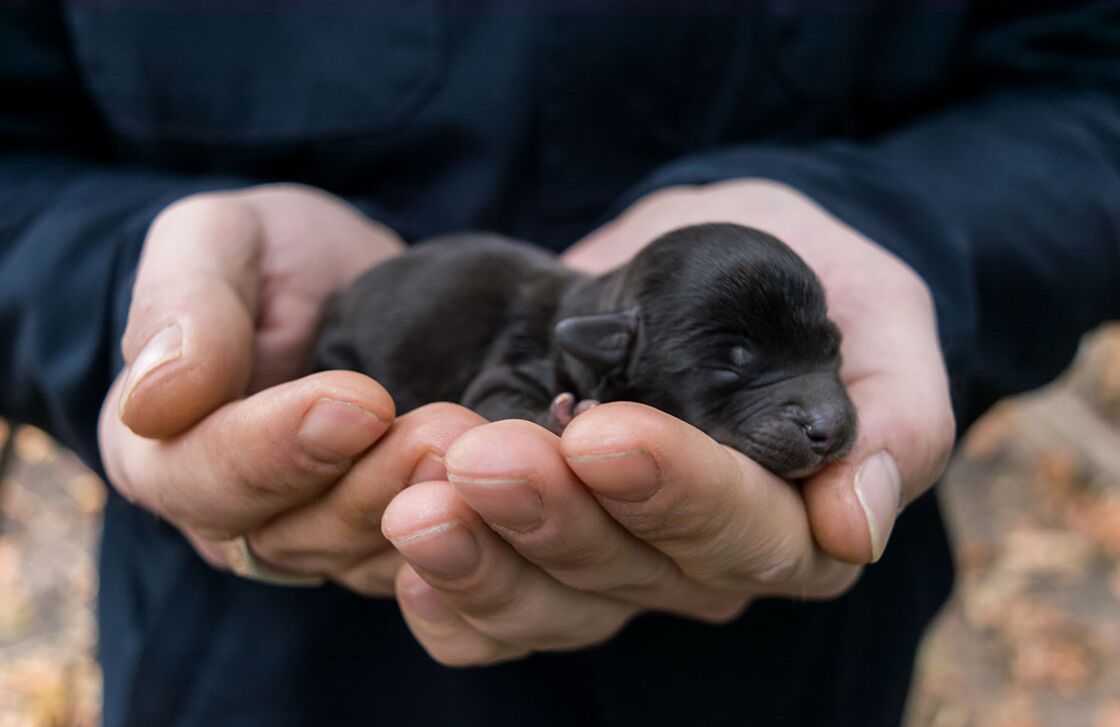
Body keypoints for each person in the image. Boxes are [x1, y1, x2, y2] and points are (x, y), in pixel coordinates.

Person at [2, 2, 1117, 725]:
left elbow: (1086, 86)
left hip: (785, 676)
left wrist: (909, 232)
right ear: (601, 355)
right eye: (735, 365)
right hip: (258, 674)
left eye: (815, 353)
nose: (820, 412)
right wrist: (126, 298)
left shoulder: (621, 350)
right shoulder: (544, 354)